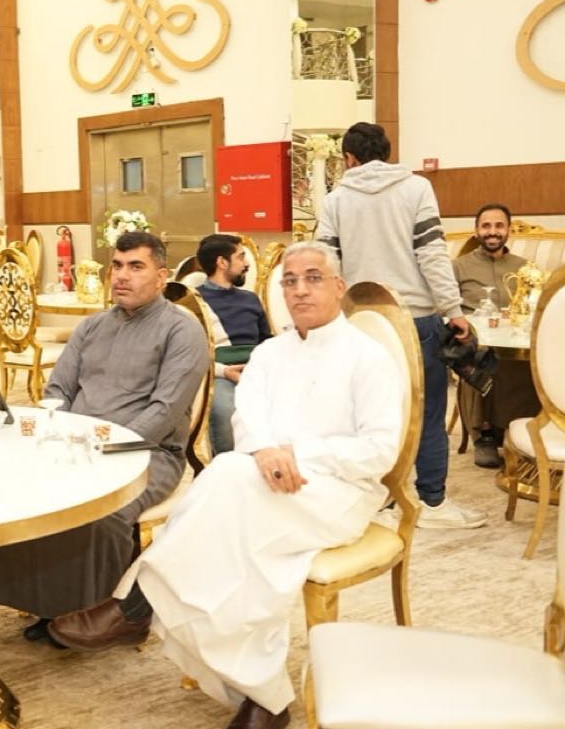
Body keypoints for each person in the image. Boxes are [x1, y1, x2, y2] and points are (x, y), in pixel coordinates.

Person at [48, 242, 404, 729]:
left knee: (227, 480)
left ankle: (140, 604)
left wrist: (294, 454)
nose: (300, 290)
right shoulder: (270, 353)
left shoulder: (368, 356)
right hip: (264, 483)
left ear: (338, 286)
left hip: (339, 492)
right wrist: (264, 451)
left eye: (313, 278)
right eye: (290, 281)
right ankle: (262, 695)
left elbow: (380, 451)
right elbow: (246, 417)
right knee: (241, 536)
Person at [0, 231, 207, 642]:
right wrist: (58, 438)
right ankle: (46, 604)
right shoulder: (92, 327)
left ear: (161, 276)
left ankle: (99, 613)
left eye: (136, 267)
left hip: (146, 453)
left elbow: (164, 412)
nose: (122, 276)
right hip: (75, 444)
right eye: (117, 266)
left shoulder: (181, 331)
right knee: (17, 483)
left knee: (98, 508)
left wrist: (106, 448)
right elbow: (58, 390)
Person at [316, 121, 483, 529]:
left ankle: (378, 500)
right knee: (428, 414)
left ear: (349, 158)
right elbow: (432, 255)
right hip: (416, 318)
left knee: (365, 415)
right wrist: (453, 310)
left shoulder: (335, 200)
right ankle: (432, 503)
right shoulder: (416, 188)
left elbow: (326, 264)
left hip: (361, 322)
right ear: (387, 153)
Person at [452, 203, 539, 468]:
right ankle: (485, 435)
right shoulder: (459, 266)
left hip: (515, 338)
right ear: (477, 230)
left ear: (508, 230)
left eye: (499, 226)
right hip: (472, 340)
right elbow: (446, 307)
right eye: (486, 226)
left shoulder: (524, 267)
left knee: (532, 363)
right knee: (483, 359)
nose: (493, 231)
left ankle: (521, 431)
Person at [195, 234, 272, 455]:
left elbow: (266, 341)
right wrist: (224, 371)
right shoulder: (195, 301)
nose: (247, 263)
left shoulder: (250, 299)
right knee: (224, 411)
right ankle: (230, 468)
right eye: (240, 257)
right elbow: (188, 354)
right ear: (222, 262)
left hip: (257, 369)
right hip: (218, 373)